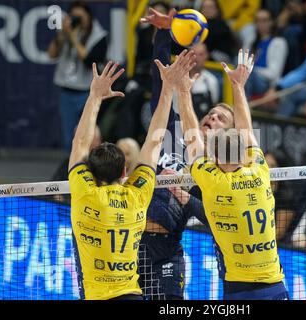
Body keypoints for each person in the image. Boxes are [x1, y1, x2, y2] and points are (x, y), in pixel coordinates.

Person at [68, 52, 195, 299]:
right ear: (125, 172)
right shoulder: (136, 195)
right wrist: (168, 87)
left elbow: (79, 143)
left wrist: (95, 96)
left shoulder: (84, 192)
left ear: (90, 174)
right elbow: (154, 140)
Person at [177, 48, 289, 300]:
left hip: (239, 289)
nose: (212, 119)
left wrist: (183, 91)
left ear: (215, 157)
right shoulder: (260, 170)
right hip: (276, 285)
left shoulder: (213, 180)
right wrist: (238, 86)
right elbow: (248, 132)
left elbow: (191, 137)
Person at [137, 8, 232, 300]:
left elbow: (215, 217)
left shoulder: (219, 171)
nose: (212, 119)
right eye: (212, 114)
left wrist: (183, 195)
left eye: (221, 120)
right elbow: (159, 80)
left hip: (167, 249)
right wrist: (166, 32)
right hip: (132, 239)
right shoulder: (171, 132)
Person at [48, 1, 108, 151]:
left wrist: (74, 38)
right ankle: (72, 166)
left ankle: (92, 164)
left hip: (88, 92)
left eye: (80, 17)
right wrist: (62, 34)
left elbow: (89, 61)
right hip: (67, 91)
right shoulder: (67, 32)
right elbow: (51, 54)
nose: (77, 20)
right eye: (74, 16)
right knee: (70, 136)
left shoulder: (98, 36)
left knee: (89, 133)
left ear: (89, 17)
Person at [245, 8, 288, 99]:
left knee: (246, 75)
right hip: (249, 76)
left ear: (271, 22)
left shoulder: (278, 42)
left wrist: (251, 70)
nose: (260, 24)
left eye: (264, 20)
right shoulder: (251, 41)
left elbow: (273, 73)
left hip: (266, 83)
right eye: (258, 21)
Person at [188, 43, 220, 119]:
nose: (196, 58)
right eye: (193, 54)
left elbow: (214, 105)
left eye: (200, 54)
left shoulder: (211, 80)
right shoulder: (178, 79)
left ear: (207, 56)